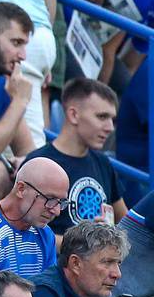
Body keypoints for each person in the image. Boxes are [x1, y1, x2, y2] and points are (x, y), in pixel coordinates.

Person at [27, 79, 124, 235]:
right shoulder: (40, 163)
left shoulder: (103, 162)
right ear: (73, 115)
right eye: (102, 116)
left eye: (112, 119)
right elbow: (29, 234)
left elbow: (126, 223)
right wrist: (86, 241)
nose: (110, 127)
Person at [0, 156, 68, 287]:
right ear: (21, 189)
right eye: (50, 199)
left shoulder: (45, 233)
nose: (56, 211)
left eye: (61, 202)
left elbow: (50, 291)